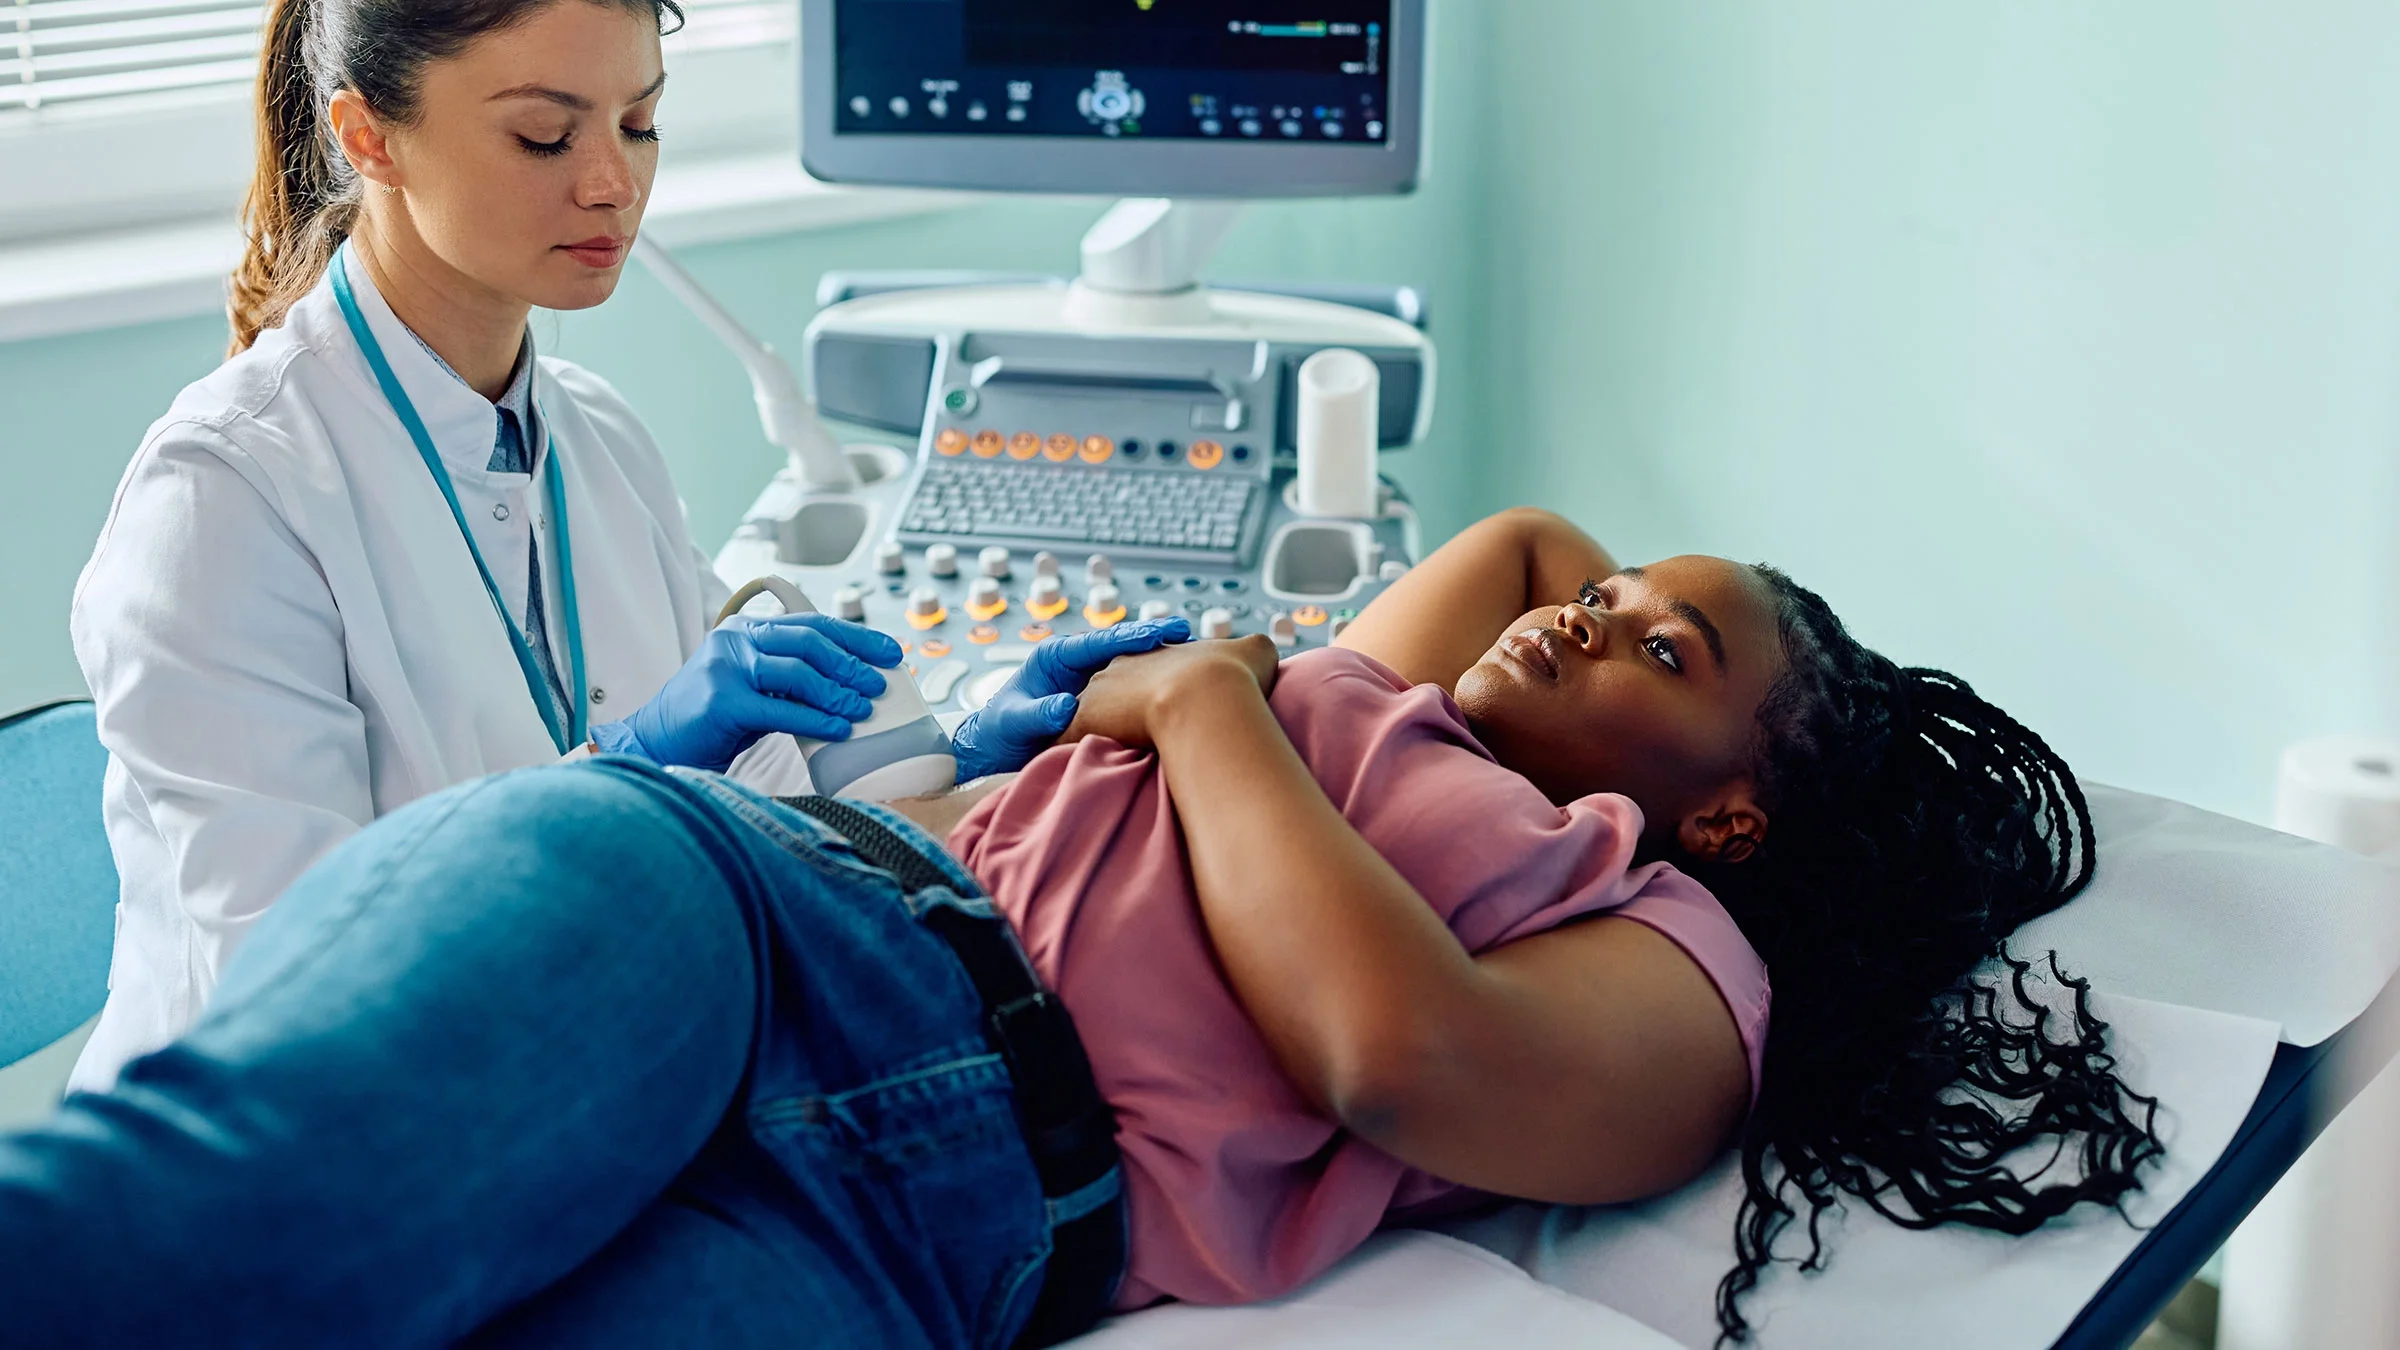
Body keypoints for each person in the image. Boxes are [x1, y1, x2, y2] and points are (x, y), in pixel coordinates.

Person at [3, 508, 2161, 1347]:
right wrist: (1629, 626)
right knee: (220, 1239)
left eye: (1658, 645)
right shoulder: (1402, 703)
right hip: (763, 915)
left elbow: (1391, 1052)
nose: (1584, 616)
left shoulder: (1682, 962)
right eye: (1615, 598)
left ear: (1738, 813)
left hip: (930, 1230)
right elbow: (1521, 542)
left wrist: (1209, 703)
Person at [65, 0, 1168, 1093]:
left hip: (581, 1078)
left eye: (639, 124)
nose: (613, 184)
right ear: (369, 137)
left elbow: (765, 807)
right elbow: (295, 997)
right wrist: (626, 769)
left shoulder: (595, 435)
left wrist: (963, 754)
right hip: (315, 1162)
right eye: (545, 136)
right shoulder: (227, 497)